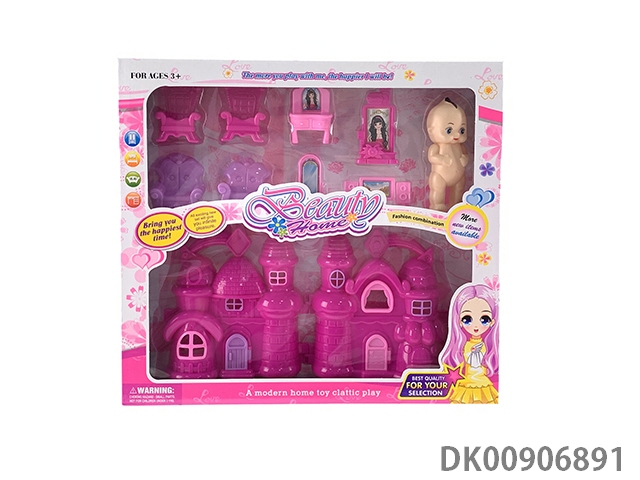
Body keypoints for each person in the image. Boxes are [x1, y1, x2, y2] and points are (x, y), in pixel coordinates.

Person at [440, 284, 499, 404]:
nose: (476, 326)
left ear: (493, 321)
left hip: (483, 384)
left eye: (484, 319)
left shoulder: (489, 347)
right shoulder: (462, 346)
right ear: (459, 321)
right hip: (466, 384)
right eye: (467, 319)